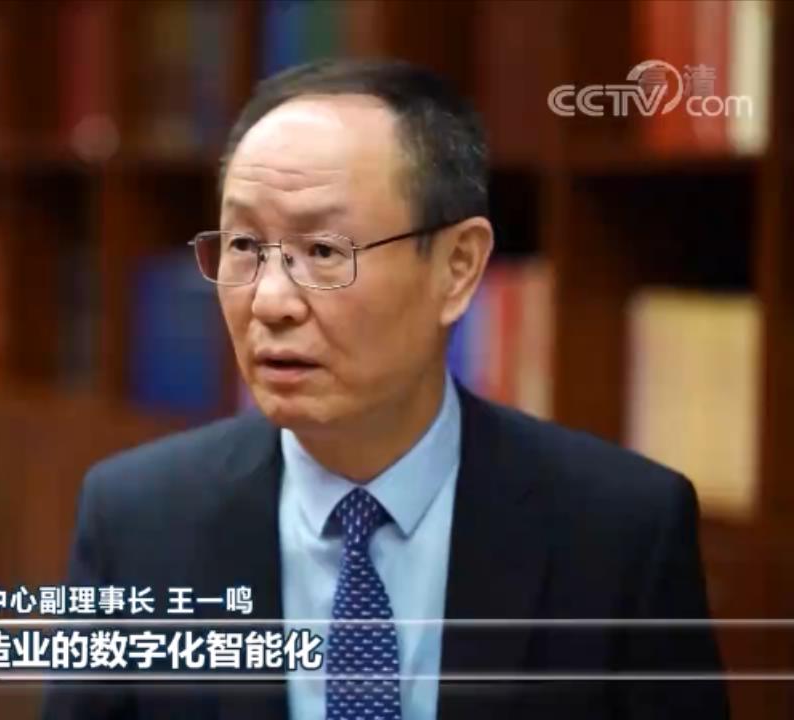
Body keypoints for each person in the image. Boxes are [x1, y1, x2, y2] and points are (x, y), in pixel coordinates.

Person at [43, 58, 727, 720]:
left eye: (323, 252)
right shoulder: (136, 520)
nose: (271, 301)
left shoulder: (622, 532)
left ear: (457, 268)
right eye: (244, 247)